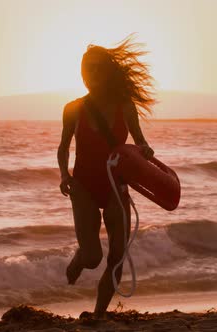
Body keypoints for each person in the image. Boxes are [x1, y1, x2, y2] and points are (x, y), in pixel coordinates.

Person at [56, 35, 156, 320]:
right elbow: (63, 147)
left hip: (116, 187)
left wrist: (145, 151)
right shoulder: (73, 108)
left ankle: (98, 315)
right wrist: (64, 174)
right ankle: (80, 257)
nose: (92, 74)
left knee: (116, 257)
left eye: (98, 68)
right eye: (87, 69)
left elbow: (139, 142)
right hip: (84, 187)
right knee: (93, 258)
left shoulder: (125, 106)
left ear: (108, 71)